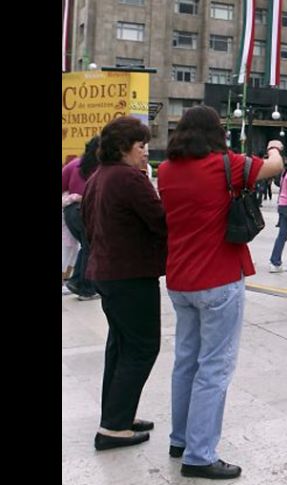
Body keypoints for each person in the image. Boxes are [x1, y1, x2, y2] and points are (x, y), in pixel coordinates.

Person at [157, 105, 284, 480]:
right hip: (219, 277)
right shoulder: (225, 164)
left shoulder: (165, 170)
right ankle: (199, 454)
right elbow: (273, 167)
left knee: (186, 361)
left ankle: (180, 439)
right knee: (214, 366)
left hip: (180, 279)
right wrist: (275, 146)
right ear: (217, 133)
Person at [80, 116, 167, 451]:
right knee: (143, 347)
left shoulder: (98, 177)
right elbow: (160, 222)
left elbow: (87, 224)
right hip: (131, 275)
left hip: (106, 273)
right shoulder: (131, 178)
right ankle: (114, 428)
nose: (145, 153)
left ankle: (117, 415)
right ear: (123, 148)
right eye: (141, 146)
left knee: (119, 348)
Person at [63, 136, 101, 300]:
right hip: (86, 212)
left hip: (71, 212)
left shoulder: (73, 165)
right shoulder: (101, 168)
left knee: (87, 247)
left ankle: (76, 281)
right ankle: (84, 287)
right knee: (90, 247)